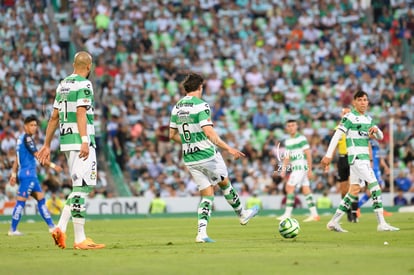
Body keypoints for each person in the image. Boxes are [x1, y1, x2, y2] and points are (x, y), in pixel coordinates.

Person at [169, 73, 259, 243]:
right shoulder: (201, 105)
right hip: (207, 155)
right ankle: (242, 214)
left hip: (190, 158)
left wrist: (190, 142)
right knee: (224, 183)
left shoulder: (177, 107)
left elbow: (172, 135)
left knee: (207, 195)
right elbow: (209, 133)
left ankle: (201, 233)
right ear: (200, 87)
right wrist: (229, 148)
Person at [37, 51, 105, 250]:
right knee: (83, 188)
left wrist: (47, 144)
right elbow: (81, 112)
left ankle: (60, 227)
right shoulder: (85, 84)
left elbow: (54, 117)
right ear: (88, 67)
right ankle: (80, 239)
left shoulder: (63, 85)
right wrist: (85, 140)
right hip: (81, 141)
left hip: (66, 141)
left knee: (78, 187)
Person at [321, 90, 399, 232]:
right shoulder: (349, 117)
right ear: (354, 102)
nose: (363, 102)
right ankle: (381, 223)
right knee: (375, 187)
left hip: (362, 159)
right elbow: (337, 135)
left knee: (353, 191)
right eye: (360, 100)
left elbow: (380, 137)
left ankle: (333, 222)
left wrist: (376, 130)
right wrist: (328, 155)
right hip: (357, 158)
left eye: (365, 100)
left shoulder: (368, 119)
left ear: (368, 102)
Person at [8, 115, 63, 236]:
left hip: (26, 174)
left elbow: (17, 159)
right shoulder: (27, 139)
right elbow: (38, 156)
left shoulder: (20, 139)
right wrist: (53, 166)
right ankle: (12, 229)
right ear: (25, 126)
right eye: (31, 125)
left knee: (41, 198)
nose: (34, 128)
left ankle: (51, 226)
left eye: (35, 125)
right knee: (21, 201)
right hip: (28, 174)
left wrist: (13, 174)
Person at [277, 119, 320, 222]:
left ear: (297, 127)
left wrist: (310, 170)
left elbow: (308, 154)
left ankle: (287, 214)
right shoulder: (288, 140)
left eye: (293, 125)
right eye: (289, 126)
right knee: (306, 189)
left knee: (289, 187)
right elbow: (287, 156)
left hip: (301, 165)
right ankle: (315, 215)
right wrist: (283, 169)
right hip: (296, 166)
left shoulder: (301, 138)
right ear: (287, 128)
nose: (291, 127)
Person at [357, 139, 393, 217]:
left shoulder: (376, 143)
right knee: (376, 188)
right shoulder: (365, 141)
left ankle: (357, 207)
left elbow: (379, 157)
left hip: (377, 170)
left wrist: (386, 167)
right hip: (371, 169)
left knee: (372, 190)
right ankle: (380, 210)